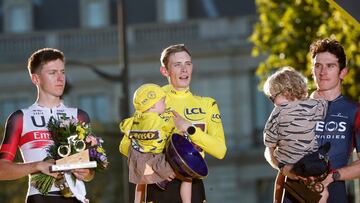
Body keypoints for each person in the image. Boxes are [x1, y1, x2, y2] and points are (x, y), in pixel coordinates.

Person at [120, 44, 227, 202]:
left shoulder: (207, 104)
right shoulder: (154, 99)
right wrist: (156, 164)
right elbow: (125, 146)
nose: (184, 70)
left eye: (188, 63)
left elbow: (220, 151)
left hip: (191, 183)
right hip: (159, 184)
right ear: (165, 71)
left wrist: (189, 129)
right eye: (177, 65)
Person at [0, 48, 94, 203]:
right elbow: (2, 170)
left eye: (62, 72)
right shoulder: (20, 118)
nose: (60, 78)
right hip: (40, 197)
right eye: (52, 73)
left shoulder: (79, 115)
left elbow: (90, 170)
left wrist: (86, 172)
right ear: (35, 79)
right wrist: (38, 166)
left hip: (76, 197)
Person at [281, 39, 360, 203]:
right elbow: (271, 148)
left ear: (343, 72)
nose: (323, 72)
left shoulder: (354, 111)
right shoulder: (294, 107)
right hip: (294, 194)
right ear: (312, 70)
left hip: (333, 194)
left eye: (330, 66)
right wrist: (283, 167)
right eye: (318, 66)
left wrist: (332, 177)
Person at [263, 67, 328, 203]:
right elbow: (323, 103)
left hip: (291, 166)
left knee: (275, 161)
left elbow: (269, 142)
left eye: (272, 97)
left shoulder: (278, 112)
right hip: (314, 163)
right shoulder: (316, 105)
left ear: (286, 92)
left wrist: (280, 165)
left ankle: (277, 200)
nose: (273, 102)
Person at [119, 83, 192, 203]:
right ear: (152, 105)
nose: (165, 104)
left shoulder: (134, 120)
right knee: (186, 175)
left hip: (137, 160)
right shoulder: (158, 121)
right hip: (155, 159)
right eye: (162, 101)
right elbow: (172, 132)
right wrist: (182, 128)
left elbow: (124, 137)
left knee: (141, 182)